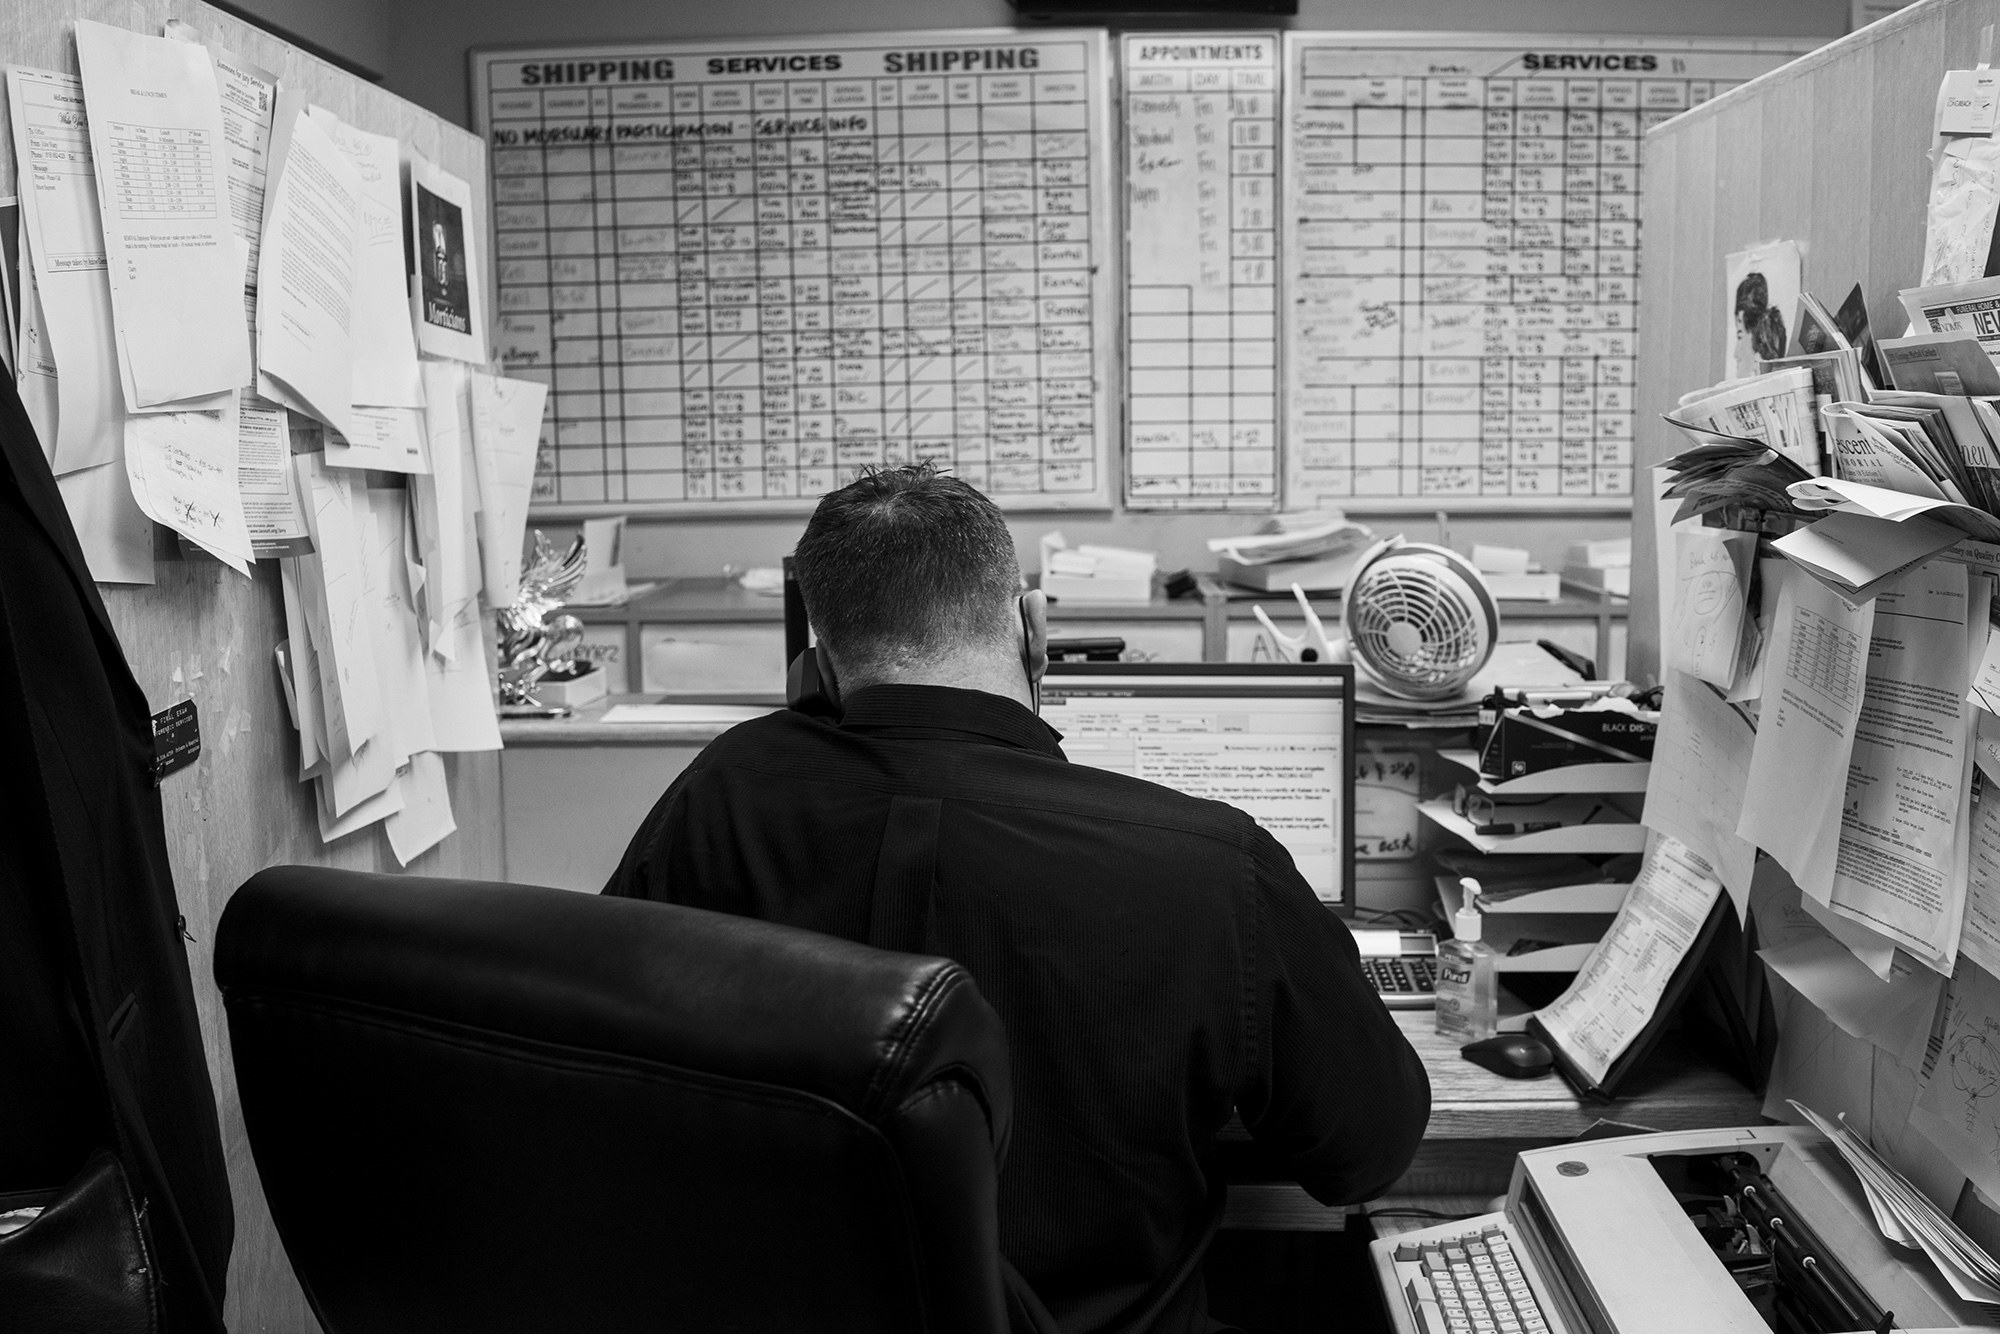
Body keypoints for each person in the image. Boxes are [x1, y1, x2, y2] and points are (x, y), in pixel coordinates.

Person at [604, 464, 1430, 1334]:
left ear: (817, 663)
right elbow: (1366, 1151)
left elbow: (608, 1074)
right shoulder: (1215, 865)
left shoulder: (720, 796)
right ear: (1033, 625)